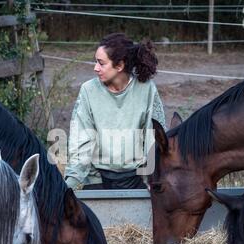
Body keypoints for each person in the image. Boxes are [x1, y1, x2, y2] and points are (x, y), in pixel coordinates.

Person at [64, 33, 167, 190]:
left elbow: (153, 138)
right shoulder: (88, 90)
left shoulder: (146, 89)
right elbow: (80, 139)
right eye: (95, 62)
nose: (95, 68)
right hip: (97, 178)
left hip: (137, 177)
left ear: (119, 66)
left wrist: (152, 179)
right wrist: (70, 183)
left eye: (101, 63)